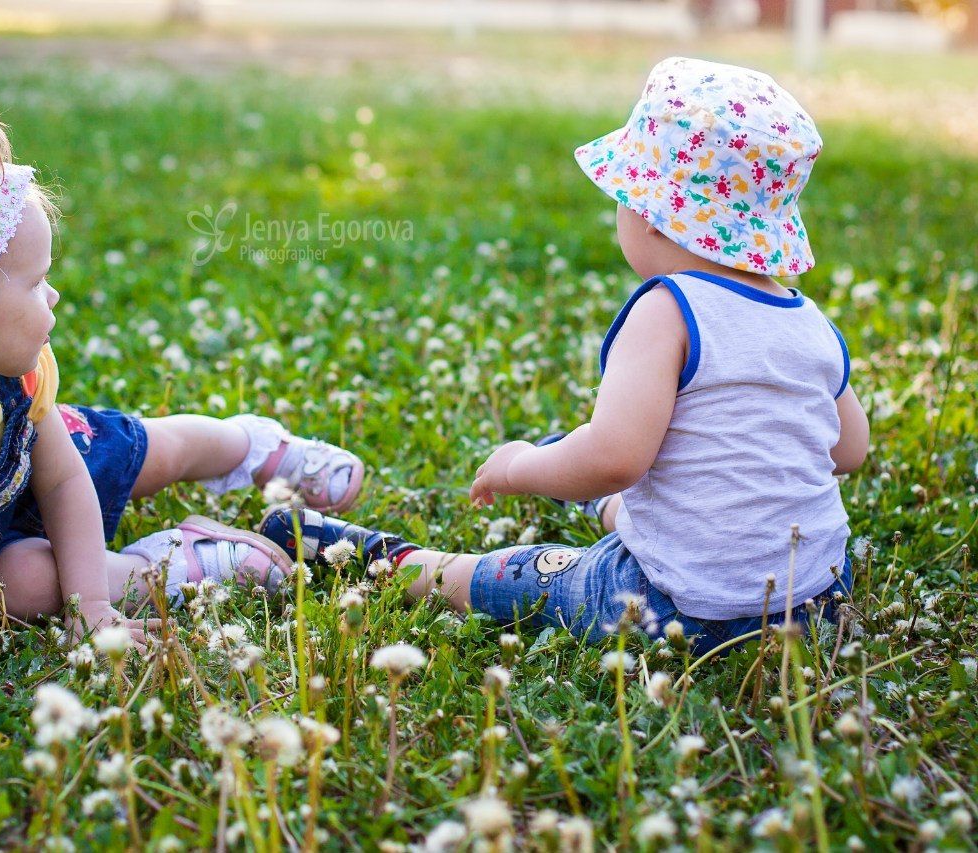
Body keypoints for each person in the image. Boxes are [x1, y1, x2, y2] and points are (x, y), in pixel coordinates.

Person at [259, 57, 869, 656]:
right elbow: (849, 450)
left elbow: (615, 458)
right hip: (813, 605)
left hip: (677, 611)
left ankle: (398, 561)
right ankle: (590, 493)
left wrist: (518, 469)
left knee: (533, 575)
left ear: (653, 217)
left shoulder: (668, 310)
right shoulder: (808, 321)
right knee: (628, 484)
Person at [0, 103, 364, 677]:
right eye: (37, 282)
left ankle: (247, 447)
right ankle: (173, 563)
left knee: (150, 450)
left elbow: (60, 479)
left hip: (42, 465)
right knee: (32, 587)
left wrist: (91, 605)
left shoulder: (18, 378)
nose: (52, 297)